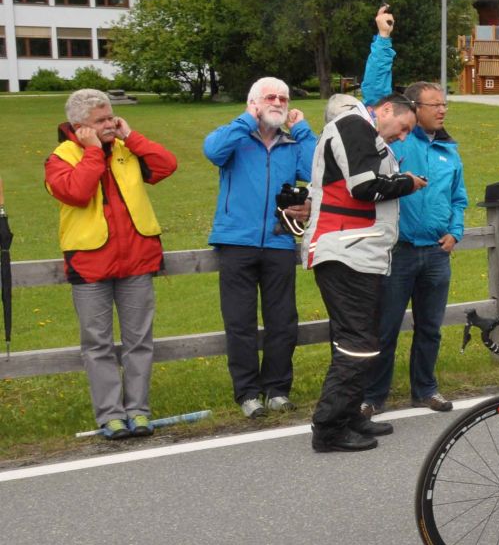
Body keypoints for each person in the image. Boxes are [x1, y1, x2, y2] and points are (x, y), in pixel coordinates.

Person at [44, 89, 177, 440]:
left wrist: (131, 136)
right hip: (90, 264)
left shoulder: (125, 147)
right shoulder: (60, 158)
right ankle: (111, 416)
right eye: (101, 120)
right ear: (80, 126)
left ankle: (139, 411)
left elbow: (167, 165)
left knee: (139, 342)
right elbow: (76, 193)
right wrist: (92, 152)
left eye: (111, 117)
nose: (110, 124)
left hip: (136, 259)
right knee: (97, 344)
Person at [359, 7, 467, 415]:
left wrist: (455, 231)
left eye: (445, 105)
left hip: (437, 253)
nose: (442, 110)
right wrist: (383, 39)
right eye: (435, 105)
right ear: (414, 107)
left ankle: (425, 388)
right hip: (399, 252)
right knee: (385, 328)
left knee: (430, 329)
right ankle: (373, 396)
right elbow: (376, 95)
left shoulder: (449, 150)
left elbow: (459, 197)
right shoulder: (397, 139)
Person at [302, 92, 424, 452]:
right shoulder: (355, 126)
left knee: (361, 341)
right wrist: (407, 183)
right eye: (404, 127)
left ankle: (349, 415)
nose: (403, 136)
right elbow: (364, 186)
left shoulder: (360, 130)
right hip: (346, 250)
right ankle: (328, 428)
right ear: (385, 110)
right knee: (357, 343)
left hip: (356, 251)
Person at [203, 77, 317, 418]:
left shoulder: (291, 143)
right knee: (240, 321)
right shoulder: (235, 137)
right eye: (270, 97)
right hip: (236, 241)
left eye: (283, 97)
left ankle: (277, 390)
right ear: (253, 102)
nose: (278, 102)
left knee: (283, 320)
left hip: (279, 240)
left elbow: (319, 170)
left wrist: (303, 130)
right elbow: (213, 151)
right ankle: (248, 393)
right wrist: (246, 120)